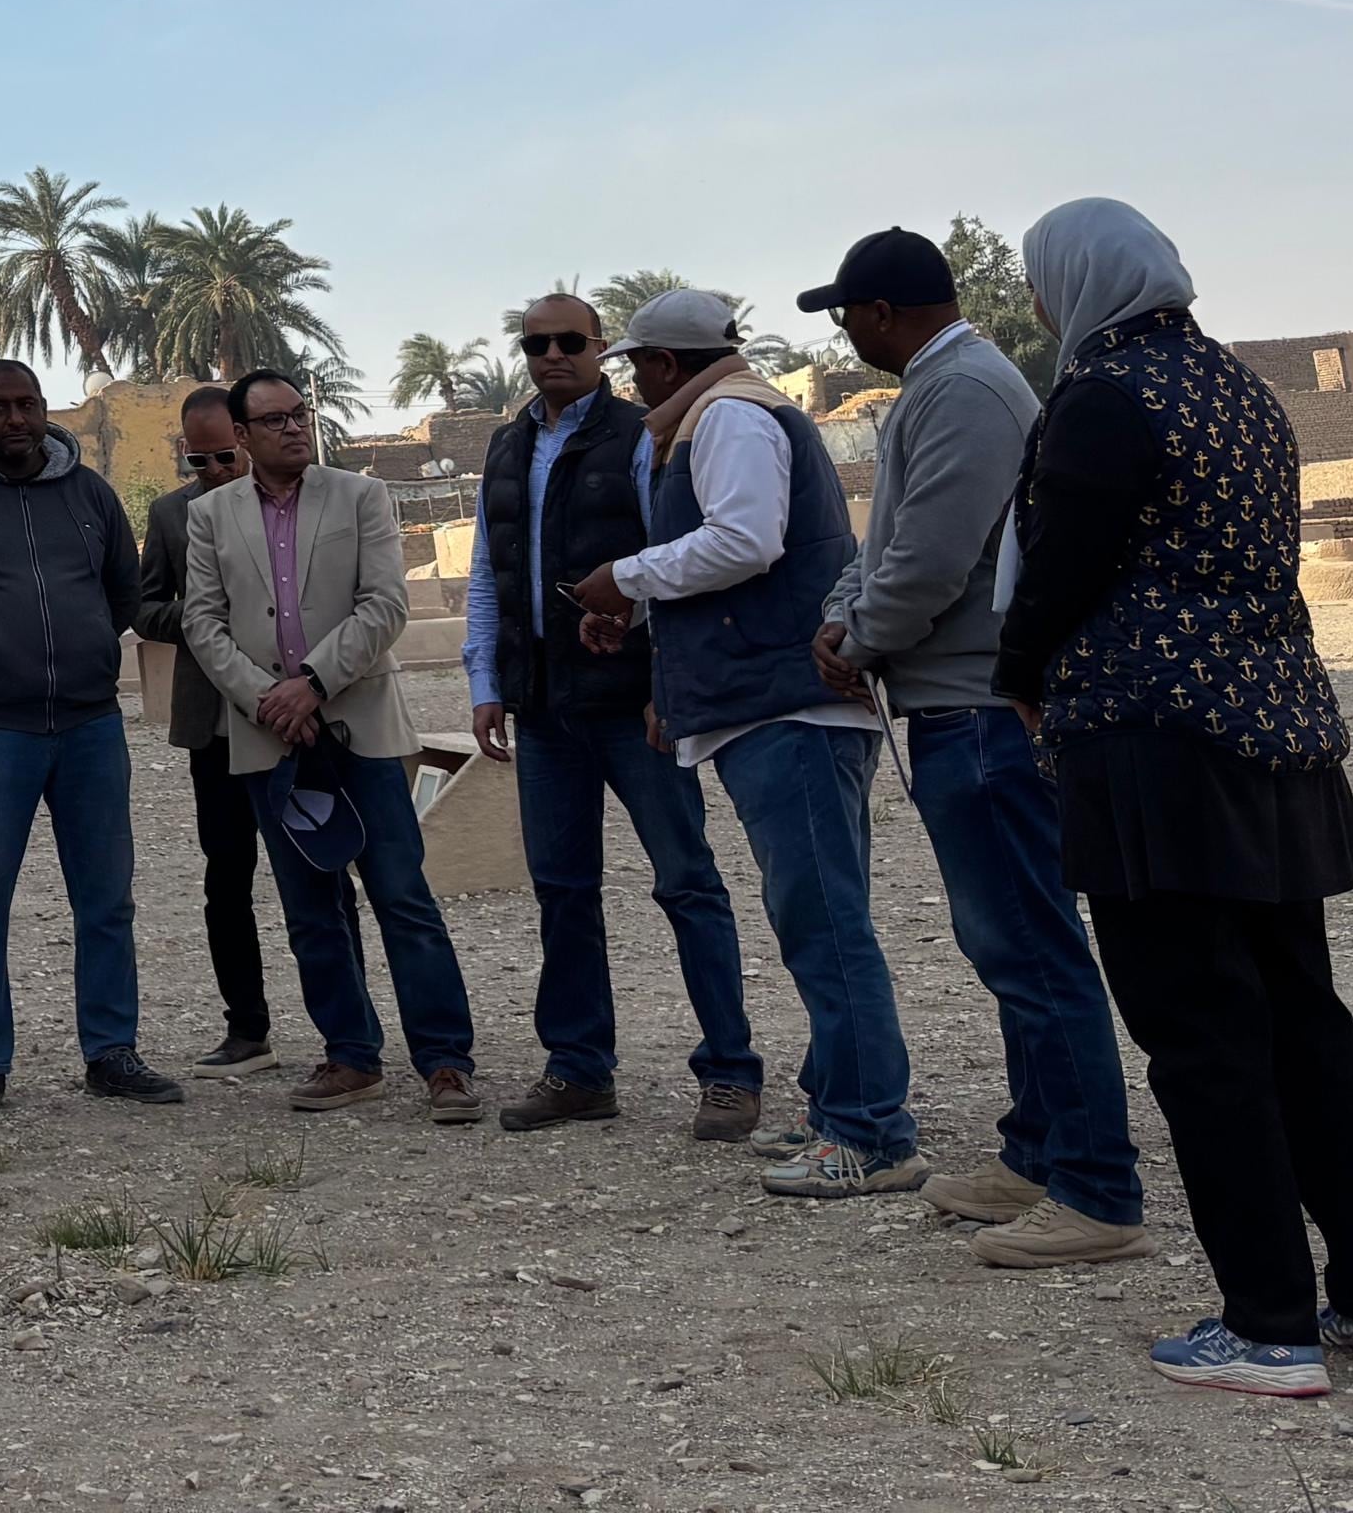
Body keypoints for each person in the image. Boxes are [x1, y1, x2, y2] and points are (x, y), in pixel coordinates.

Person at [993, 201, 1353, 1397]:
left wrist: (1015, 677)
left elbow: (1062, 571)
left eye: (1040, 285)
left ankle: (1266, 1323)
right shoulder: (1236, 386)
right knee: (1302, 1018)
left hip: (1153, 744)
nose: (1037, 308)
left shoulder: (1101, 397)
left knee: (1199, 1037)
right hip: (1273, 727)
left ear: (1073, 283)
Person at [804, 228, 1147, 1267]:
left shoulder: (960, 390)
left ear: (874, 313)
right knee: (1005, 946)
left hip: (979, 710)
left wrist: (858, 638)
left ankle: (1093, 1189)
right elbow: (886, 546)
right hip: (953, 705)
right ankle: (1035, 1153)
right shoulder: (945, 386)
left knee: (1031, 951)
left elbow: (929, 558)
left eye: (845, 315)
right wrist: (843, 614)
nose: (846, 332)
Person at [561, 288, 921, 1201]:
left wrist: (624, 577)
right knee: (814, 919)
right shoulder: (715, 419)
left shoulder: (727, 418)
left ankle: (872, 1133)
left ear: (665, 365)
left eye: (636, 365)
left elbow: (745, 541)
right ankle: (840, 1106)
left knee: (826, 926)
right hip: (768, 706)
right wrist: (642, 621)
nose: (633, 384)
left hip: (788, 710)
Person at [463, 290, 764, 1142]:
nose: (552, 356)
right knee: (562, 892)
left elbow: (672, 561)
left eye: (571, 341)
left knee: (687, 882)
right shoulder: (506, 445)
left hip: (631, 707)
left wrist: (664, 683)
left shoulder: (642, 435)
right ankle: (579, 1070)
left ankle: (731, 1072)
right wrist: (486, 680)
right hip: (542, 707)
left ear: (603, 349)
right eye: (537, 343)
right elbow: (491, 571)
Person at [0, 358, 183, 1119]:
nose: (16, 420)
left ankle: (111, 1052)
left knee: (106, 897)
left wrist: (81, 653)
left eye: (28, 405)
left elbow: (125, 592)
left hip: (89, 725)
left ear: (45, 409)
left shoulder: (91, 496)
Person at [185, 366, 480, 1121]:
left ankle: (445, 1063)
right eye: (274, 420)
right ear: (242, 435)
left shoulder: (361, 496)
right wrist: (267, 698)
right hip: (268, 740)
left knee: (401, 896)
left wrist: (311, 684)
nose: (292, 428)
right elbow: (204, 625)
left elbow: (384, 606)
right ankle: (350, 1056)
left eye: (299, 415)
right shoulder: (212, 516)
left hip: (362, 727)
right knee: (310, 907)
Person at [133, 385, 276, 1071]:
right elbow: (145, 608)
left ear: (247, 441)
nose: (216, 472)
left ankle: (349, 1032)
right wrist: (199, 614)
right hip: (215, 726)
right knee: (228, 878)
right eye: (201, 462)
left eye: (226, 457)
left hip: (294, 718)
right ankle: (246, 1026)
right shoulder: (170, 516)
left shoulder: (297, 503)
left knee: (320, 874)